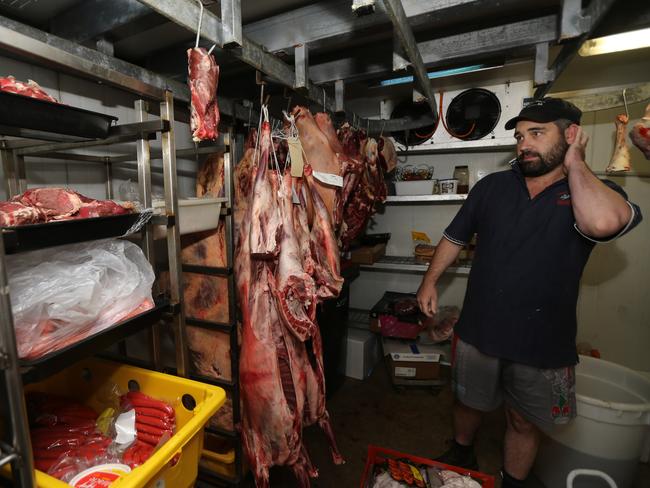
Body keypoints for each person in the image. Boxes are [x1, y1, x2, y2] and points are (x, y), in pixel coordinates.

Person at [416, 97, 642, 488]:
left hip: (542, 343)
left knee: (522, 420)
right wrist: (429, 280)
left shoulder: (591, 191)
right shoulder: (492, 188)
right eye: (520, 136)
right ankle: (461, 449)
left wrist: (575, 165)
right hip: (479, 329)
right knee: (468, 401)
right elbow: (454, 237)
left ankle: (513, 481)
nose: (524, 144)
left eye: (537, 133)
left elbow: (604, 222)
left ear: (571, 135)